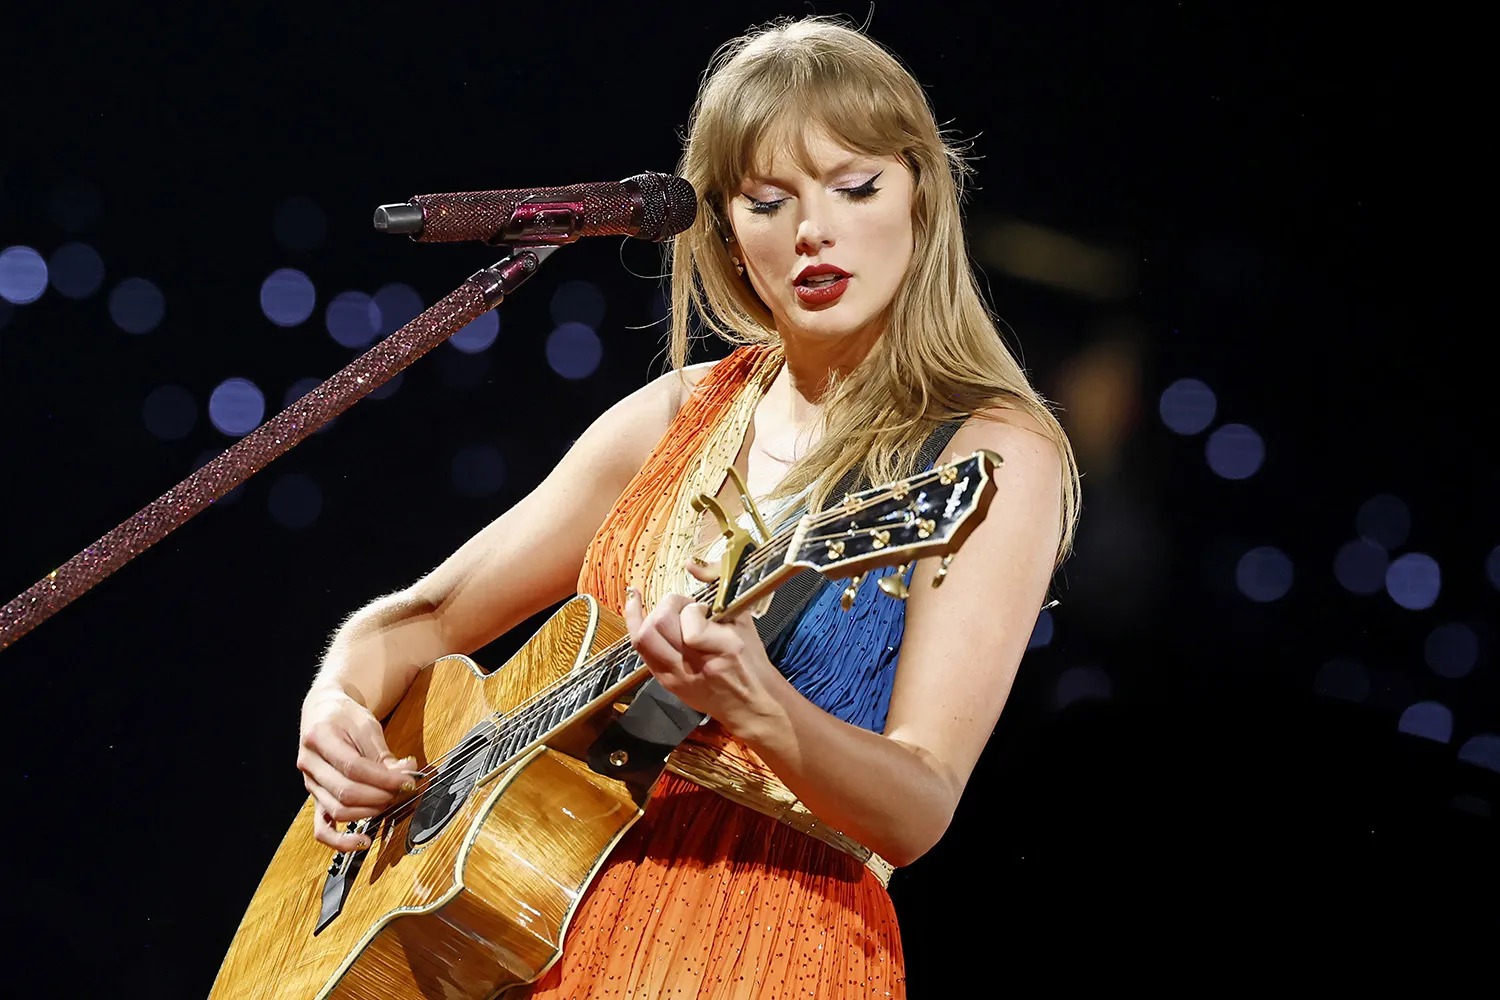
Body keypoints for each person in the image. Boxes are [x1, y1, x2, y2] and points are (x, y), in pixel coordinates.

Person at [295, 15, 1080, 999]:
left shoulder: (989, 450)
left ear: (924, 197)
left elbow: (921, 805)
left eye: (855, 186)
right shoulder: (673, 413)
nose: (812, 232)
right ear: (720, 228)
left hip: (763, 945)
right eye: (767, 200)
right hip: (525, 929)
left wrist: (764, 707)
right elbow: (418, 620)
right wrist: (333, 707)